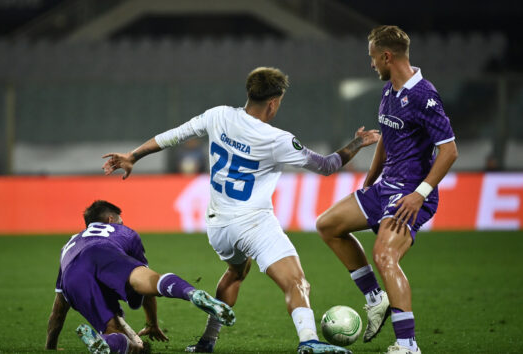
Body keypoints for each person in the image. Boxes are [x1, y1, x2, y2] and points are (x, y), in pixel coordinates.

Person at [102, 67, 380, 354]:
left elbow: (173, 136)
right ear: (273, 102)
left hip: (218, 227)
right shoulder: (277, 139)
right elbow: (328, 166)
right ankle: (308, 340)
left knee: (236, 272)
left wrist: (133, 155)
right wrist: (359, 141)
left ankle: (207, 342)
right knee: (297, 282)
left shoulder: (218, 115)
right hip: (253, 223)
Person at [316, 26, 458, 354]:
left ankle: (407, 345)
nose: (371, 65)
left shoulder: (423, 95)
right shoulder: (389, 91)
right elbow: (385, 140)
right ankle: (374, 298)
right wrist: (368, 185)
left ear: (386, 56)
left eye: (372, 58)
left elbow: (449, 151)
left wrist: (420, 192)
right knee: (327, 225)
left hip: (410, 194)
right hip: (384, 189)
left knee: (385, 254)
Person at [45, 200, 235, 354]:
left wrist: (50, 347)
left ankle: (104, 342)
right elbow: (145, 289)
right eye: (120, 221)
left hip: (72, 275)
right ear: (111, 219)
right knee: (152, 281)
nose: (122, 224)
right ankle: (191, 293)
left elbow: (58, 311)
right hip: (105, 253)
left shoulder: (70, 244)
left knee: (121, 338)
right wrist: (152, 322)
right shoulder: (123, 232)